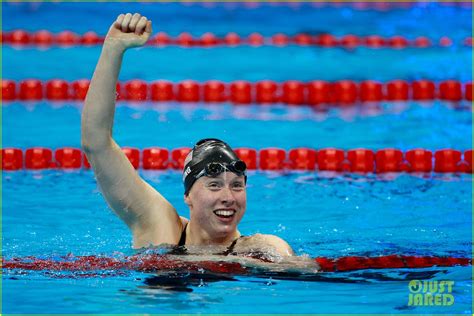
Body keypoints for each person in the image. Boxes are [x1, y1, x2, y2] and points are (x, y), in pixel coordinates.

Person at [81, 13, 295, 259]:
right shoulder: (159, 227)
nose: (228, 198)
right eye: (214, 185)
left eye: (237, 186)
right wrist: (113, 48)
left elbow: (300, 269)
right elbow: (95, 142)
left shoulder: (260, 248)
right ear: (188, 197)